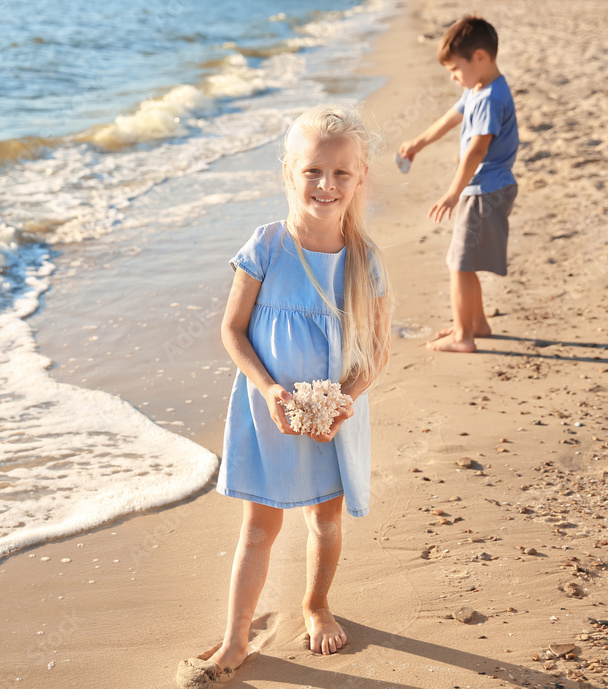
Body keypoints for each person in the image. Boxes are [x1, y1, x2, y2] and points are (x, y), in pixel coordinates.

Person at [175, 104, 391, 688]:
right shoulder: (267, 245)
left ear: (360, 177)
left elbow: (377, 352)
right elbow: (232, 329)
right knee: (259, 527)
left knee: (325, 518)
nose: (326, 184)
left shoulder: (364, 262)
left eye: (341, 173)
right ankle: (237, 637)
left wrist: (343, 400)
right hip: (267, 409)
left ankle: (316, 604)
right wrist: (269, 388)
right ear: (290, 173)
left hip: (332, 415)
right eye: (313, 171)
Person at [399, 15, 518, 353]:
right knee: (464, 263)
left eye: (455, 69)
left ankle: (463, 336)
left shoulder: (490, 98)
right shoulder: (478, 88)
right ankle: (476, 323)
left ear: (479, 57)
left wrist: (452, 193)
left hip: (484, 191)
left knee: (459, 265)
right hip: (484, 189)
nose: (452, 77)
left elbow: (478, 149)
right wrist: (417, 143)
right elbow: (451, 118)